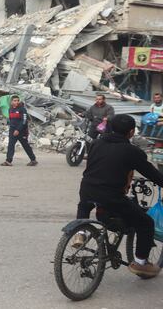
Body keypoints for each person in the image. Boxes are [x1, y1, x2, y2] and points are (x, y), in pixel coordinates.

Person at [73, 114, 163, 279]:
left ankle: (82, 233)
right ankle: (141, 263)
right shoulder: (131, 151)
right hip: (111, 196)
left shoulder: (96, 143)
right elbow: (151, 173)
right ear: (130, 132)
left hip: (87, 188)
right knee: (146, 222)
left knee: (85, 204)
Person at [1, 95, 38, 167]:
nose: (16, 102)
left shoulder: (22, 109)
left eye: (17, 100)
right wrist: (11, 128)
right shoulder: (10, 109)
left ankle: (33, 160)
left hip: (22, 131)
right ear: (11, 102)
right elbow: (11, 120)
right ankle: (8, 161)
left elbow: (24, 121)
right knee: (10, 145)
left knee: (25, 145)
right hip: (12, 130)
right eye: (15, 101)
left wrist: (18, 130)